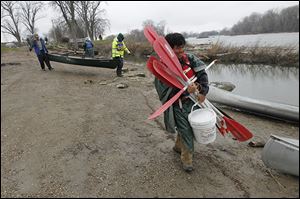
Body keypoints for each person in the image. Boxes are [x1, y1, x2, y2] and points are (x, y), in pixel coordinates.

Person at [154, 33, 209, 172]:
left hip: (194, 103)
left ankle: (178, 147)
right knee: (186, 131)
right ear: (168, 49)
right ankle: (187, 160)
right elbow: (164, 93)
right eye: (176, 48)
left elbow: (202, 75)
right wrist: (186, 91)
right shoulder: (162, 68)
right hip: (178, 106)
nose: (180, 51)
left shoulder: (190, 58)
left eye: (182, 47)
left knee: (190, 128)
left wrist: (203, 91)